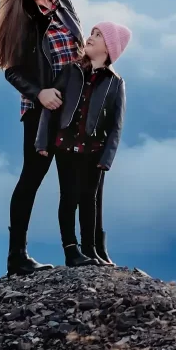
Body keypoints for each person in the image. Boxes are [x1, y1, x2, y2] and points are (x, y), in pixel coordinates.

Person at [0, 0, 84, 276]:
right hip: (40, 111)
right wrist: (39, 94)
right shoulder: (20, 18)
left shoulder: (65, 5)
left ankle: (74, 252)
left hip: (72, 107)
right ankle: (17, 257)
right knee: (32, 178)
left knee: (71, 178)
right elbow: (11, 71)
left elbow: (76, 51)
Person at [35, 21, 129, 267]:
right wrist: (42, 141)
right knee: (69, 197)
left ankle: (90, 250)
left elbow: (116, 126)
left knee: (89, 199)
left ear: (109, 48)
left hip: (94, 152)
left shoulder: (115, 83)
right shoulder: (70, 71)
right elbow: (49, 109)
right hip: (65, 146)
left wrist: (106, 159)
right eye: (92, 32)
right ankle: (70, 250)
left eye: (98, 36)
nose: (90, 37)